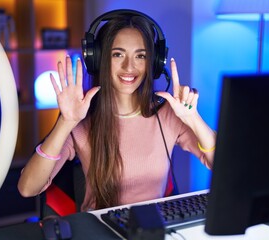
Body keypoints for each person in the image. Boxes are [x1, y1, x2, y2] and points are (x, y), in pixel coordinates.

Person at [18, 10, 216, 212]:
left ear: (153, 63)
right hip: (99, 230)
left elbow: (221, 165)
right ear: (99, 59)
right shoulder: (80, 118)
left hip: (152, 228)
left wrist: (193, 119)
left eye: (141, 56)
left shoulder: (168, 113)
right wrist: (66, 122)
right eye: (118, 54)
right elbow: (27, 188)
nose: (129, 67)